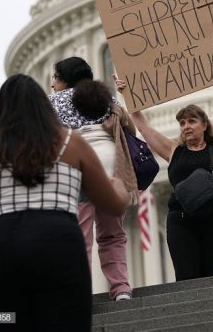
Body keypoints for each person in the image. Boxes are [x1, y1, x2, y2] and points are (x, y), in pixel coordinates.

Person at [0, 74, 129, 332]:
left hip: (1, 252)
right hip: (59, 246)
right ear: (44, 106)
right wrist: (119, 187)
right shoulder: (71, 143)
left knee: (12, 324)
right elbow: (113, 205)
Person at [114, 60, 213, 280]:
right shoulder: (173, 150)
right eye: (182, 123)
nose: (186, 126)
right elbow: (143, 126)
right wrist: (126, 94)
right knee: (187, 277)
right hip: (181, 220)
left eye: (192, 121)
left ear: (204, 125)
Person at [50, 57, 135, 301]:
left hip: (77, 166)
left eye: (56, 78)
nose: (53, 84)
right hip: (110, 167)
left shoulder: (53, 101)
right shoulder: (106, 98)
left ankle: (78, 293)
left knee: (79, 237)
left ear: (65, 79)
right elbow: (130, 129)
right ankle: (121, 288)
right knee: (112, 233)